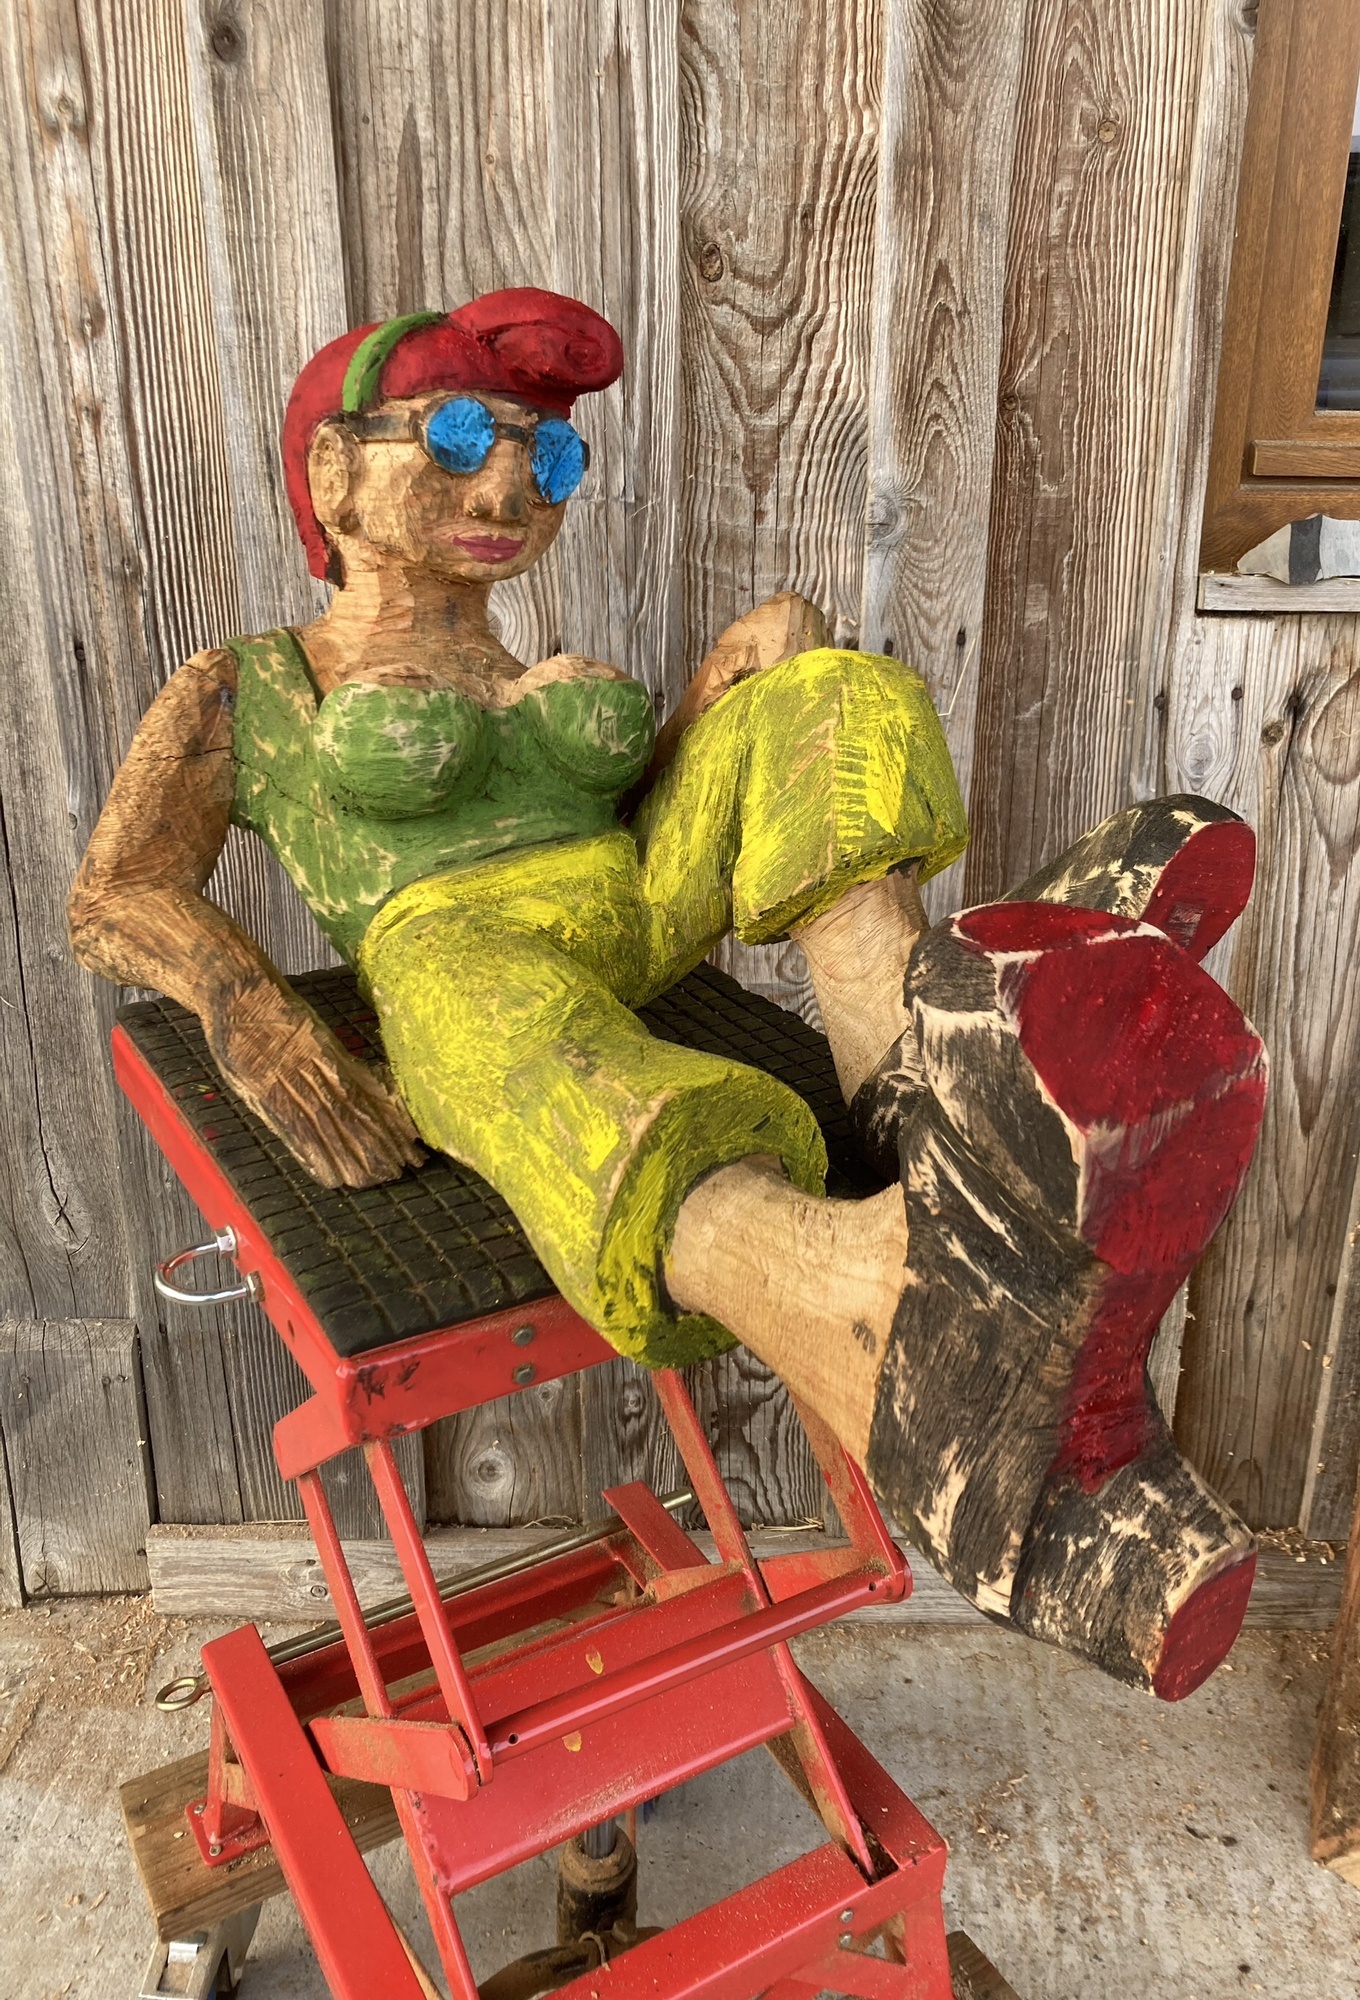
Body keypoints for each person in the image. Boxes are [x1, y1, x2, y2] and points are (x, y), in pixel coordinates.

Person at [69, 288, 1266, 1697]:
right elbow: (115, 893)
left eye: (545, 456)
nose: (508, 488)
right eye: (454, 439)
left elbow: (626, 809)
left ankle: (919, 1073)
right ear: (331, 471)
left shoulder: (506, 658)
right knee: (503, 1027)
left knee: (822, 686)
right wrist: (250, 1009)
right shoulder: (252, 687)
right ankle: (868, 1317)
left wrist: (725, 688)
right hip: (460, 948)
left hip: (628, 897)